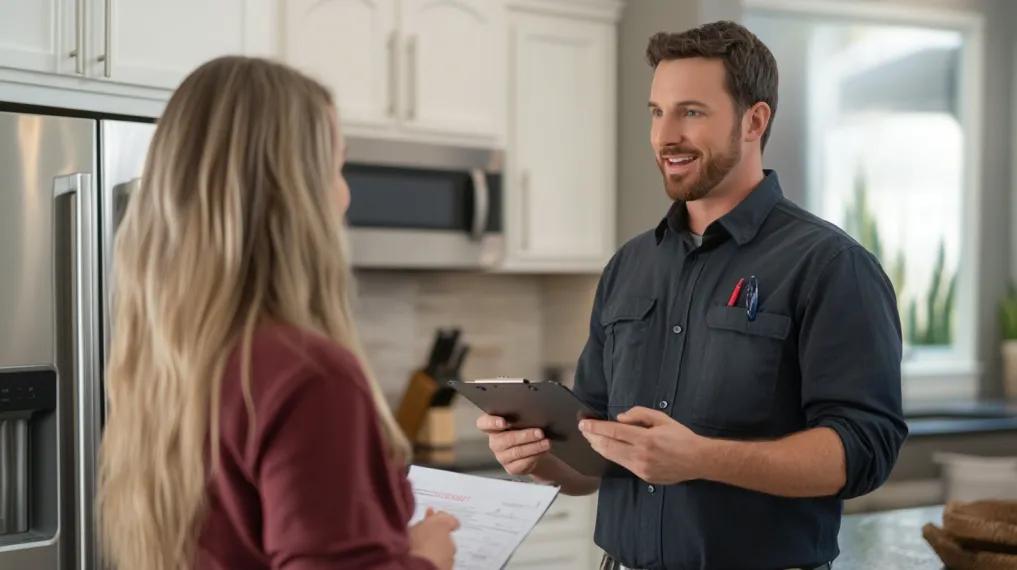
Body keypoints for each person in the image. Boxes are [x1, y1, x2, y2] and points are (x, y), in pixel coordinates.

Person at [477, 21, 908, 570]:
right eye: (657, 112)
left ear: (754, 121)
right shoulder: (629, 266)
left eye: (692, 112)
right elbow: (594, 461)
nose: (665, 135)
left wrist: (701, 458)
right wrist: (539, 459)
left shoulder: (831, 266)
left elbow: (866, 449)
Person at [98, 56, 458, 570]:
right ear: (293, 192)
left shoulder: (166, 357)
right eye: (335, 168)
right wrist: (429, 557)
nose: (345, 194)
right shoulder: (310, 374)